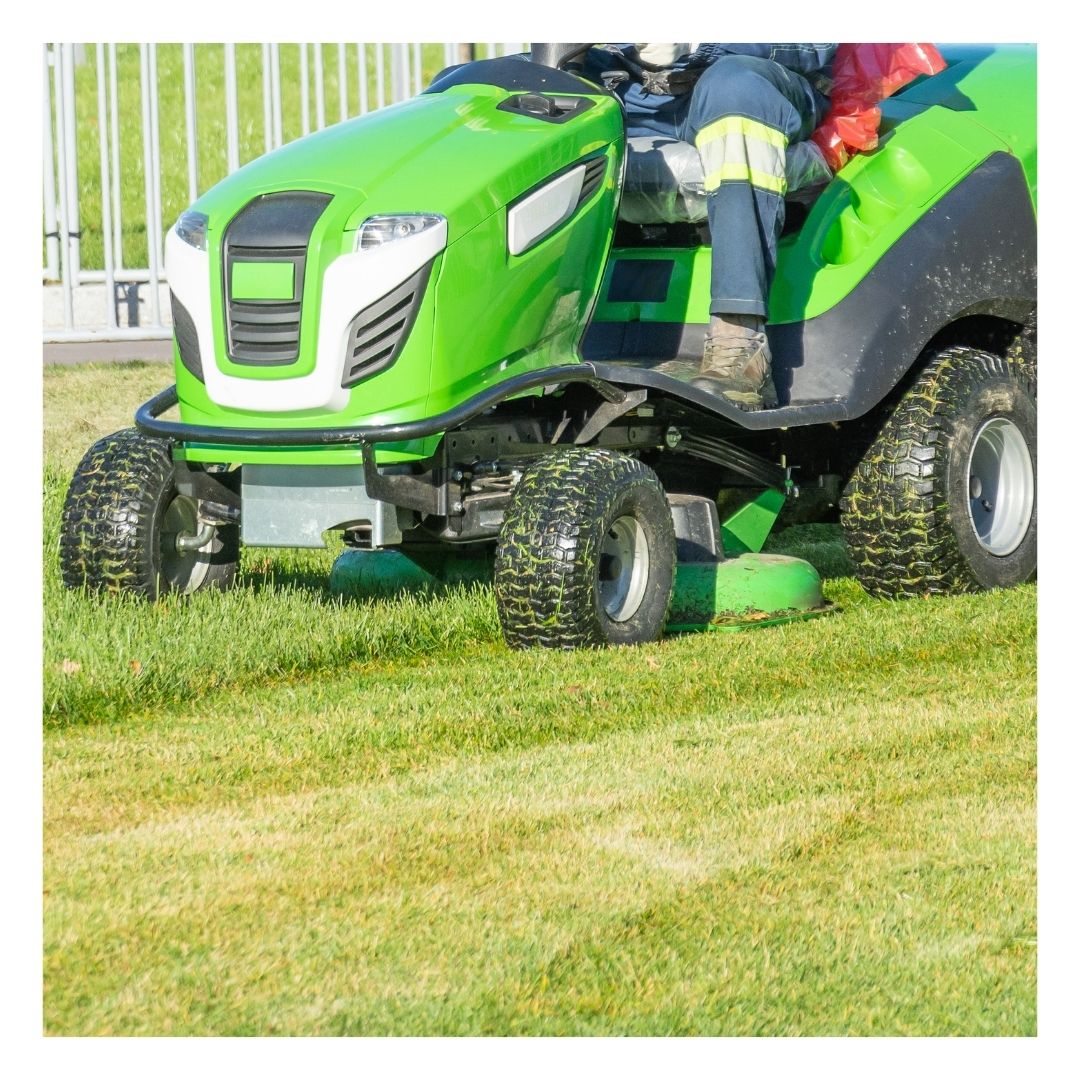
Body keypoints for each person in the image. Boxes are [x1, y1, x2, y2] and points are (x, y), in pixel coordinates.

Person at [589, 44, 836, 409]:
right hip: (629, 94)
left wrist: (696, 41)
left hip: (750, 86)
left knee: (733, 89)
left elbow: (817, 45)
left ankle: (739, 340)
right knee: (509, 88)